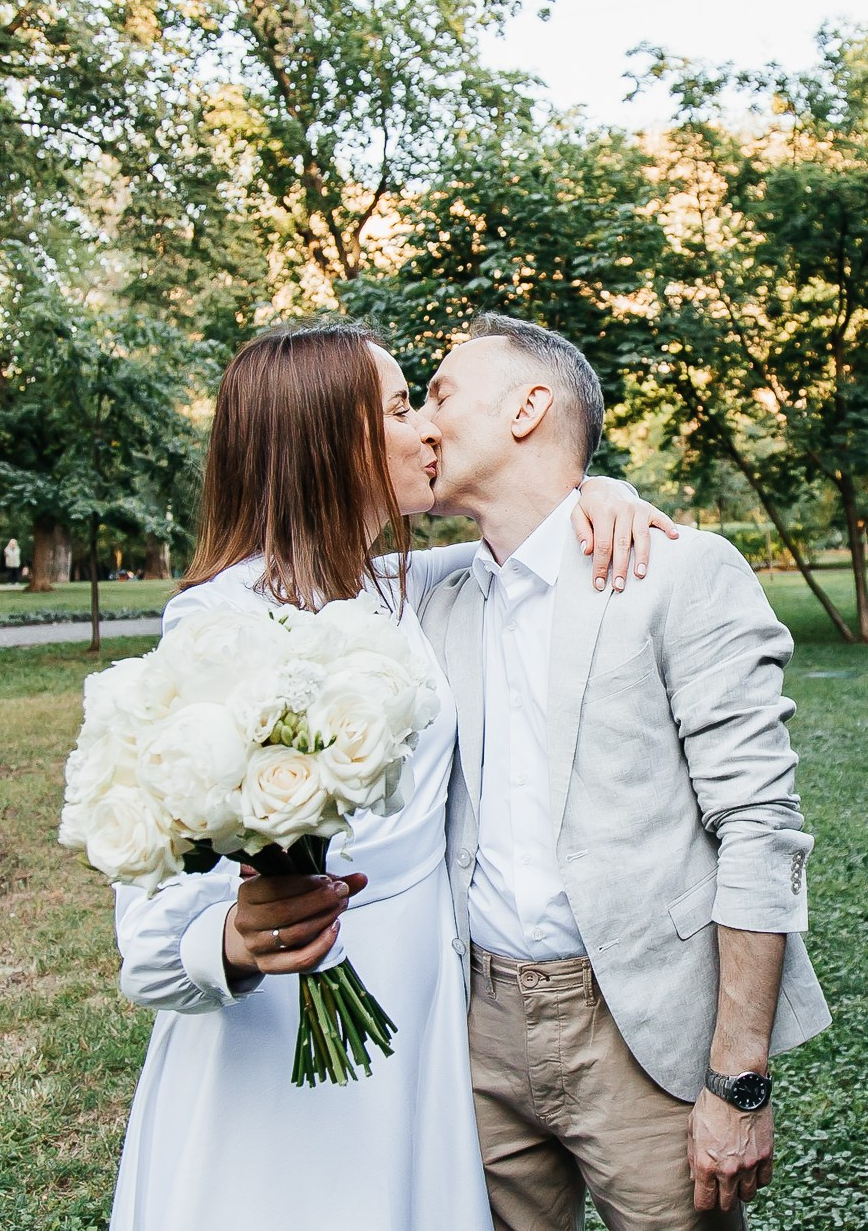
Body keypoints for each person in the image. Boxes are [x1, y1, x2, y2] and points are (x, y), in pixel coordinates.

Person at [105, 320, 674, 1231]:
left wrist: (602, 491)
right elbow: (151, 938)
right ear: (330, 440)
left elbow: (534, 534)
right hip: (287, 1016)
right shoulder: (218, 624)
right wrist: (240, 940)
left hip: (422, 993)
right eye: (404, 408)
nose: (428, 430)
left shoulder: (403, 585)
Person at [419, 313, 829, 1230]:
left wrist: (739, 1078)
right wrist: (595, 487)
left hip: (642, 1029)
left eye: (440, 394)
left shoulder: (679, 572)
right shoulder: (433, 592)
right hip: (476, 1035)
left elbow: (760, 828)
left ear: (527, 408)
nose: (421, 423)